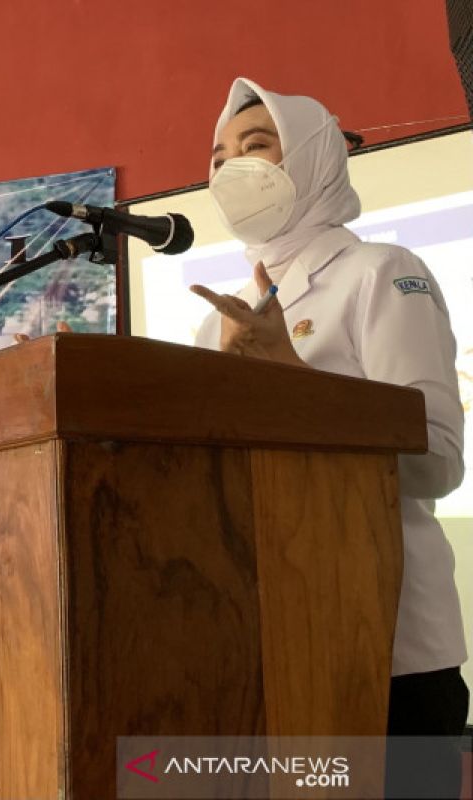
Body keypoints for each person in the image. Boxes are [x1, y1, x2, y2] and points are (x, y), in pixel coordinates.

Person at [192, 77, 468, 799]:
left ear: (313, 157)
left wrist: (290, 373)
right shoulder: (218, 320)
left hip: (391, 652)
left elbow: (437, 461)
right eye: (218, 157)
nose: (231, 170)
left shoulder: (382, 273)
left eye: (256, 146)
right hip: (269, 643)